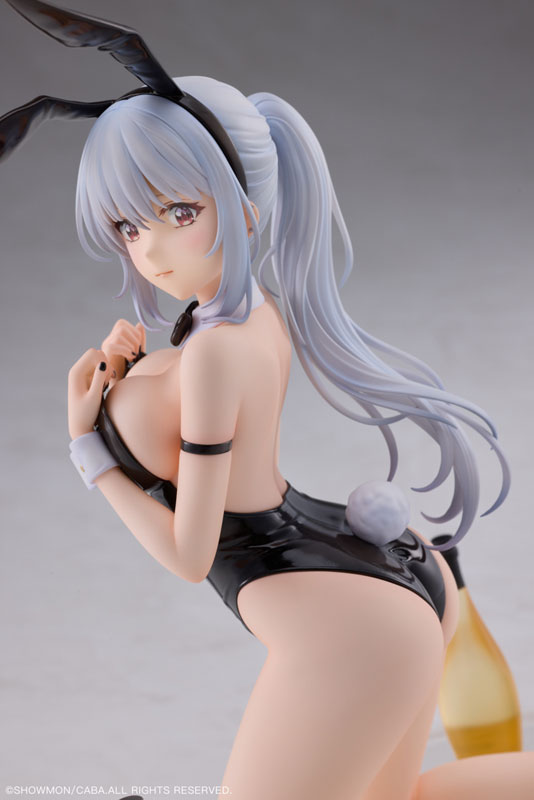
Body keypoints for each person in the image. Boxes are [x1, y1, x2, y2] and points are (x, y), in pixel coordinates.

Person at [1, 2, 532, 797]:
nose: (151, 249)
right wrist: (132, 370)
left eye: (180, 213)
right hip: (368, 579)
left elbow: (191, 556)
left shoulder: (216, 347)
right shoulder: (242, 315)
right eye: (128, 226)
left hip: (344, 624)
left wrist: (90, 452)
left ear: (243, 205)